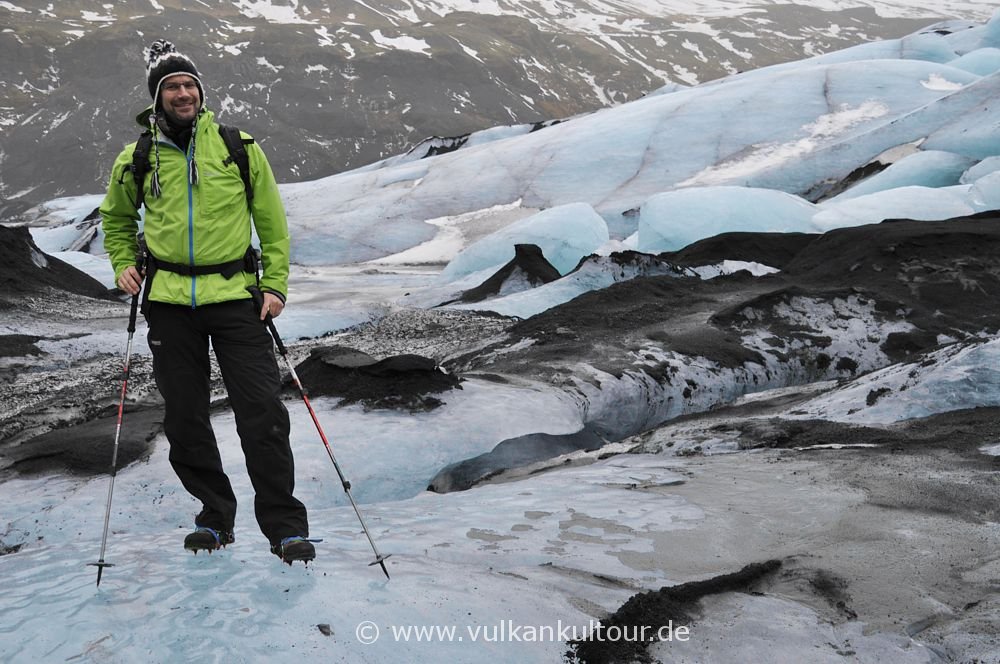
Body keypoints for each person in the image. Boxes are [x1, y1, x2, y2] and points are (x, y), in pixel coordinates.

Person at [100, 40, 314, 564]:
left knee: (262, 413)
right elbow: (116, 218)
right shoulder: (138, 157)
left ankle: (284, 528)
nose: (183, 93)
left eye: (190, 85)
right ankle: (214, 519)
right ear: (157, 98)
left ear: (201, 92)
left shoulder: (237, 146)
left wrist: (275, 284)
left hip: (236, 297)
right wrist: (123, 261)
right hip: (169, 302)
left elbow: (272, 222)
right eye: (172, 87)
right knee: (186, 420)